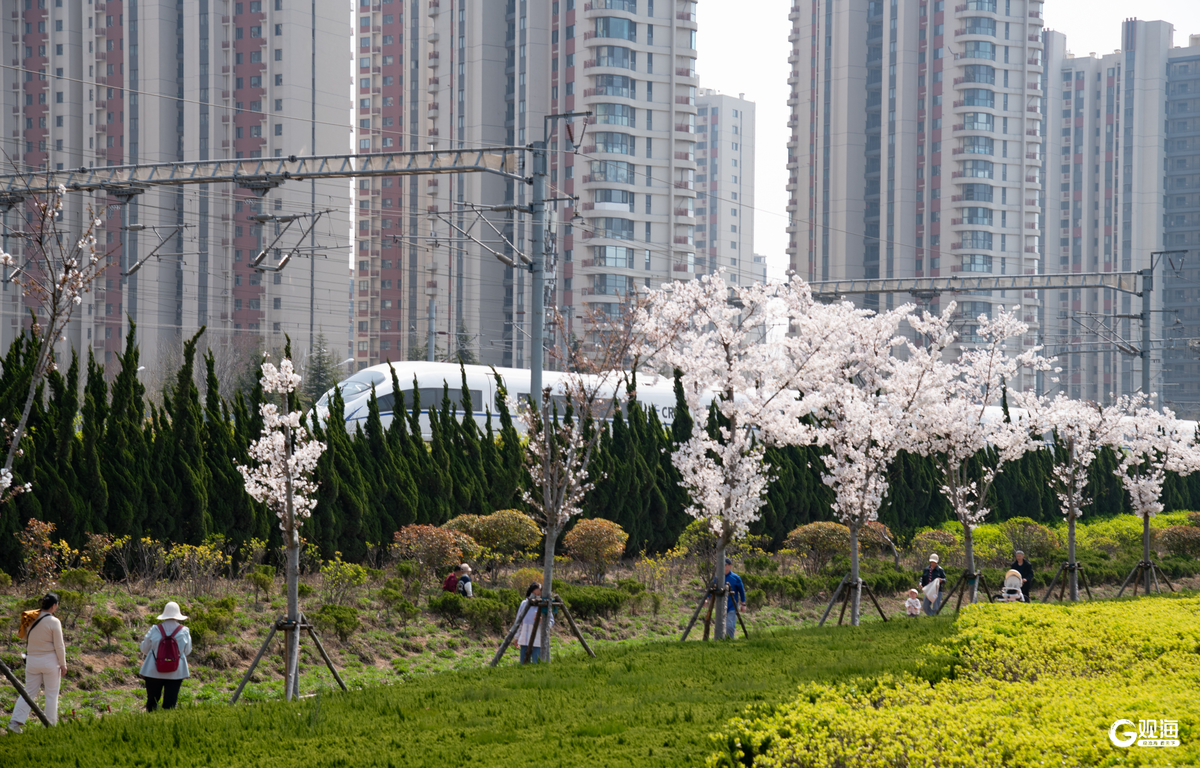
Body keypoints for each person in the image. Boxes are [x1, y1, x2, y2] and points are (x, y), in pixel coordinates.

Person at [7, 593, 66, 733]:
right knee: (51, 695)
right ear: (54, 606)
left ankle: (14, 723)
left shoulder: (30, 618)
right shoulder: (54, 621)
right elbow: (59, 646)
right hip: (50, 661)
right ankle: (50, 726)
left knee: (28, 693)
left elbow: (24, 637)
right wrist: (63, 664)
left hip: (32, 660)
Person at [138, 601, 193, 712]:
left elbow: (144, 649)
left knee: (152, 703)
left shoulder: (155, 629)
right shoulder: (184, 631)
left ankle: (150, 722)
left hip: (153, 671)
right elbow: (187, 651)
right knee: (170, 705)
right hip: (176, 673)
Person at [516, 582, 553, 664]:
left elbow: (551, 622)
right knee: (523, 664)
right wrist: (516, 637)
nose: (536, 596)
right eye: (534, 594)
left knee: (537, 665)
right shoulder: (524, 604)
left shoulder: (544, 605)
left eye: (538, 594)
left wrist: (542, 621)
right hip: (525, 640)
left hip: (538, 641)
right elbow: (519, 622)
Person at [711, 558, 746, 639]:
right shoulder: (718, 578)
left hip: (732, 606)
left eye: (725, 565)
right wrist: (707, 599)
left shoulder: (736, 578)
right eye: (721, 565)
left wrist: (743, 604)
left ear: (730, 566)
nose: (723, 567)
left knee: (729, 626)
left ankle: (729, 640)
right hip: (720, 606)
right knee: (720, 626)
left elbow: (741, 591)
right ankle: (719, 640)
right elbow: (712, 589)